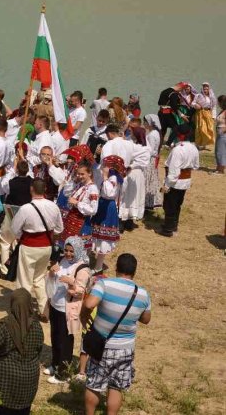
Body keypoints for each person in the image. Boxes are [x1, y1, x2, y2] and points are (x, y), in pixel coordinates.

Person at [82, 253, 151, 415]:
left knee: (94, 384)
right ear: (134, 271)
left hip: (102, 345)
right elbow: (146, 319)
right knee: (116, 386)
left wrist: (83, 317)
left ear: (116, 268)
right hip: (125, 348)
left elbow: (90, 303)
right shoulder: (142, 294)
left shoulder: (104, 284)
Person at [11, 179, 63, 314]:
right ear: (45, 189)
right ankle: (44, 309)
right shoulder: (53, 206)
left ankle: (24, 311)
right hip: (46, 247)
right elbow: (59, 229)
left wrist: (20, 237)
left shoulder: (25, 208)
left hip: (29, 246)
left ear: (31, 189)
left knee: (25, 281)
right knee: (39, 278)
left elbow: (15, 229)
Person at [44, 236, 91, 384]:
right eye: (66, 250)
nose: (69, 253)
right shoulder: (62, 261)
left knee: (65, 340)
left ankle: (63, 374)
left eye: (72, 251)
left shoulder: (82, 268)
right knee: (55, 336)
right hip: (55, 305)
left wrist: (71, 283)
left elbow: (80, 292)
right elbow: (52, 280)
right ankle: (55, 364)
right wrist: (51, 273)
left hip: (68, 309)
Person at [159, 124, 200, 237]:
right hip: (185, 181)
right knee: (177, 204)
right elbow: (196, 166)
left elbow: (174, 172)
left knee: (169, 205)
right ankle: (173, 225)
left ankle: (168, 229)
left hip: (174, 182)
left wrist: (166, 185)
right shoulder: (194, 148)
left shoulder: (178, 150)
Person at [216, 94, 226, 175]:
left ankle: (221, 170)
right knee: (218, 151)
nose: (217, 103)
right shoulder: (222, 110)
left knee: (221, 151)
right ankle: (218, 168)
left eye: (218, 102)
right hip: (219, 132)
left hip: (223, 133)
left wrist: (223, 130)